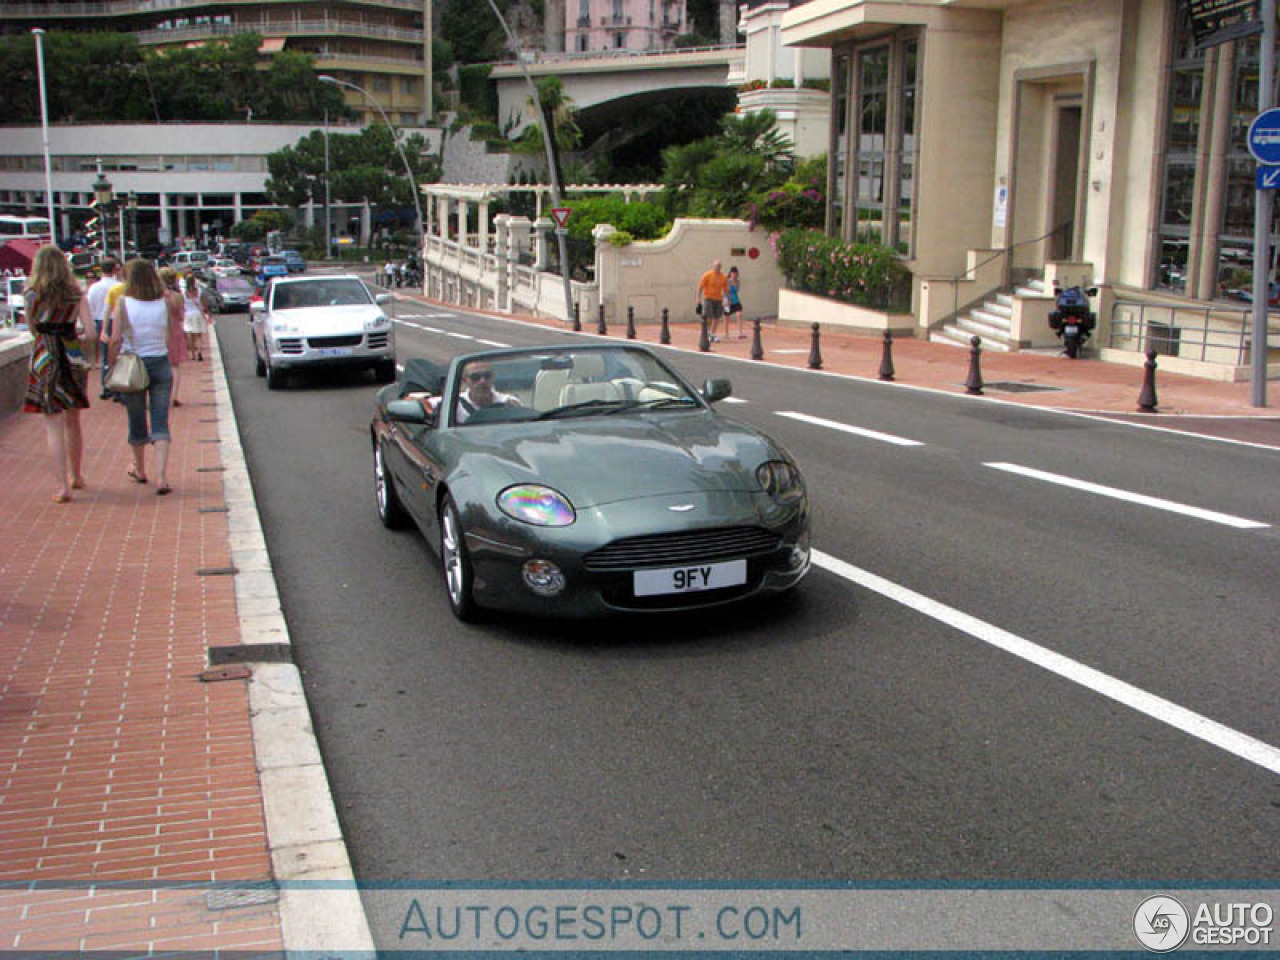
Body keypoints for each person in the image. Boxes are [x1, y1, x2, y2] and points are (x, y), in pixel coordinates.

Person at [21, 245, 92, 502]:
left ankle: (62, 486)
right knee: (73, 420)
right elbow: (92, 333)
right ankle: (77, 474)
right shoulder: (76, 294)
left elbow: (32, 327)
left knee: (53, 422)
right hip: (71, 352)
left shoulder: (31, 294)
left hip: (45, 352)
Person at [107, 258, 175, 495]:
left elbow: (115, 338)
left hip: (133, 363)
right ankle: (162, 476)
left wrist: (110, 363)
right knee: (160, 420)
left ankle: (140, 468)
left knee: (136, 419)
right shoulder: (164, 304)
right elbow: (168, 335)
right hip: (160, 361)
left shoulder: (123, 303)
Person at [86, 257, 122, 397]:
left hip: (101, 321)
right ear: (114, 269)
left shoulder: (94, 288)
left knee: (105, 355)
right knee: (118, 354)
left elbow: (90, 307)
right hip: (117, 320)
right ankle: (119, 386)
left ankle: (106, 385)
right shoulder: (119, 286)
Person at [159, 268, 188, 406]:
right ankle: (174, 396)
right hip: (175, 330)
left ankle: (160, 395)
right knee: (175, 365)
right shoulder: (176, 297)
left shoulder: (155, 296)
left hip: (158, 331)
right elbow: (182, 316)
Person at [455, 361, 520, 424]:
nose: (482, 381)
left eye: (487, 376)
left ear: (493, 377)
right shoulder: (455, 405)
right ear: (465, 380)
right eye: (475, 377)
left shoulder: (508, 402)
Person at [696, 259, 729, 342]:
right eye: (716, 266)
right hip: (708, 298)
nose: (717, 268)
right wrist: (698, 298)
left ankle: (712, 334)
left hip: (718, 299)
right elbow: (700, 287)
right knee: (708, 317)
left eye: (719, 266)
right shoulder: (707, 275)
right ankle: (706, 333)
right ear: (713, 266)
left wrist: (726, 300)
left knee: (717, 317)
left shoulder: (723, 277)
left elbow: (726, 290)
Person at [181, 271, 211, 361]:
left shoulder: (183, 293)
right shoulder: (199, 291)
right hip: (198, 313)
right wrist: (207, 312)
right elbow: (204, 304)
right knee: (199, 335)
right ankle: (199, 351)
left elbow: (182, 305)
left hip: (188, 314)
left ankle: (193, 354)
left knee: (190, 333)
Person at [725, 265, 745, 338]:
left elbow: (737, 291)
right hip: (727, 300)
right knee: (727, 317)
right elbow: (724, 291)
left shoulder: (738, 282)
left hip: (735, 300)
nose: (734, 275)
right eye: (733, 273)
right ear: (730, 273)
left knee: (739, 314)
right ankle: (726, 333)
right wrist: (727, 300)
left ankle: (740, 332)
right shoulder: (727, 281)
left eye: (735, 273)